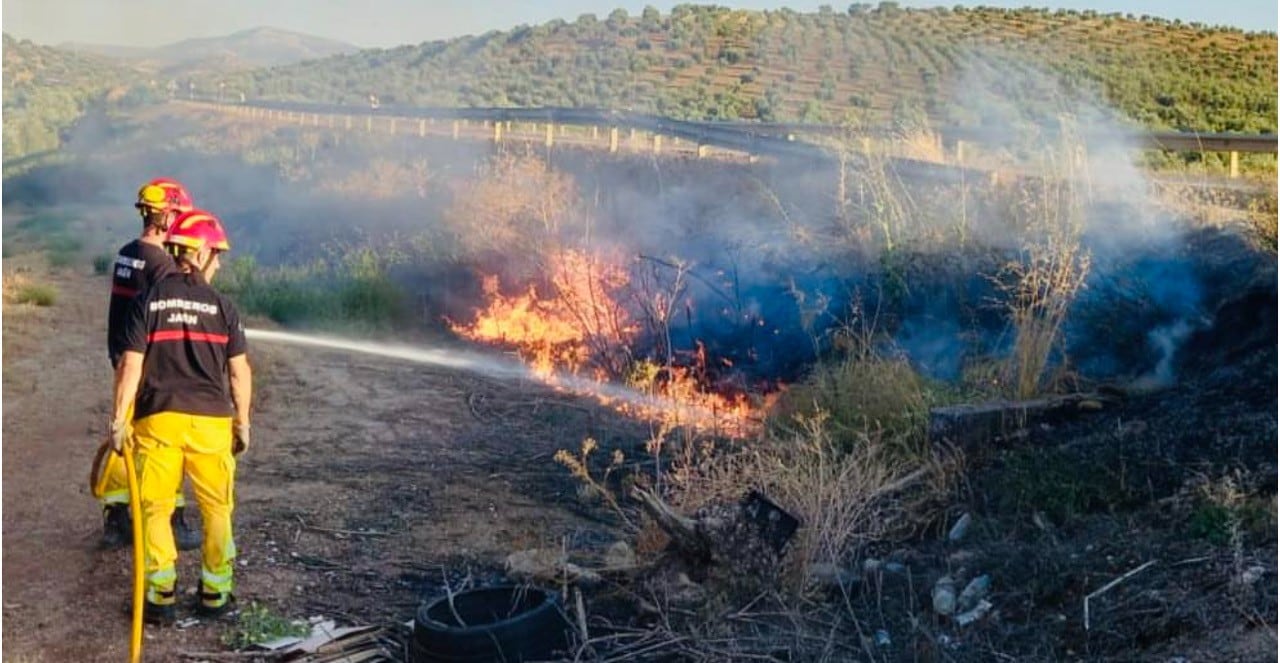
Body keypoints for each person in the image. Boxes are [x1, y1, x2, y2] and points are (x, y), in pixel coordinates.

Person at [108, 209, 252, 624]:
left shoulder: (147, 302)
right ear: (200, 252)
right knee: (217, 509)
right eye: (218, 253)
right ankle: (215, 594)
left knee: (154, 509)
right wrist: (242, 421)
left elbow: (129, 365)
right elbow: (239, 371)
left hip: (159, 420)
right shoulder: (224, 307)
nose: (220, 263)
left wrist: (119, 420)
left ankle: (160, 597)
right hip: (212, 422)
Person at [93, 179, 204, 551]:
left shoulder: (127, 253)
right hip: (153, 364)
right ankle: (171, 520)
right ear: (168, 214)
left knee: (125, 434)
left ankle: (117, 520)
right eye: (180, 216)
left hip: (123, 357)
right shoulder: (164, 266)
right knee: (162, 445)